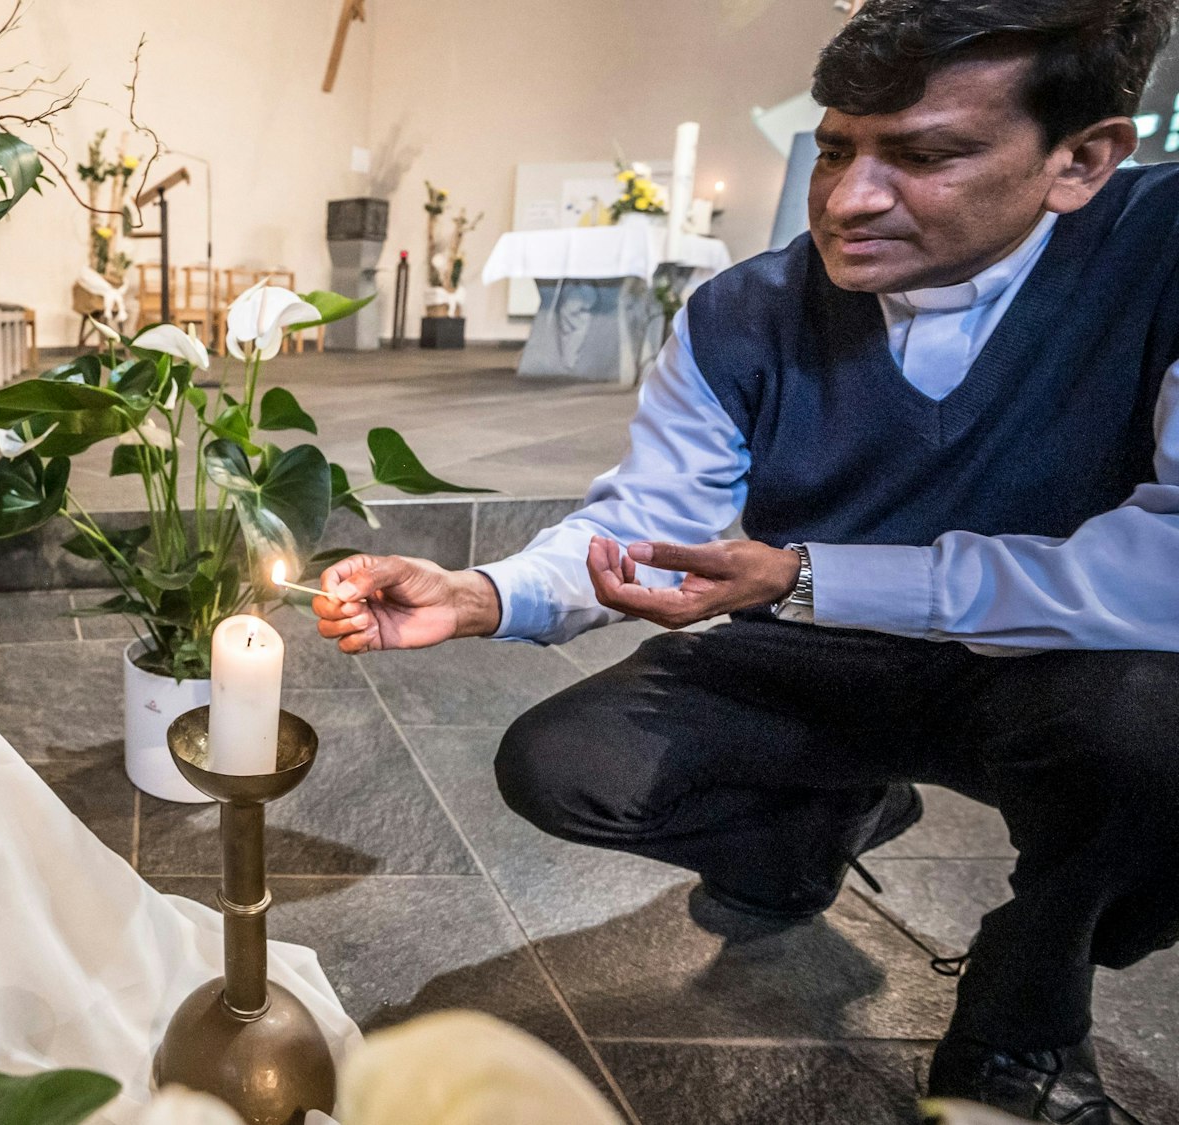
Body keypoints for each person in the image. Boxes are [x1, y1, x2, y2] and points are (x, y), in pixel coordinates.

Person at [313, 1, 1179, 1120]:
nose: (846, 199)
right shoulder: (741, 311)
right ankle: (817, 830)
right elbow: (652, 521)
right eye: (835, 147)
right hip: (808, 656)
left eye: (920, 156)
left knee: (1156, 748)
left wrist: (814, 574)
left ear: (1080, 159)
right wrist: (481, 593)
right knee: (563, 762)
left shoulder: (1156, 257)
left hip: (1051, 663)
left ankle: (1022, 1016)